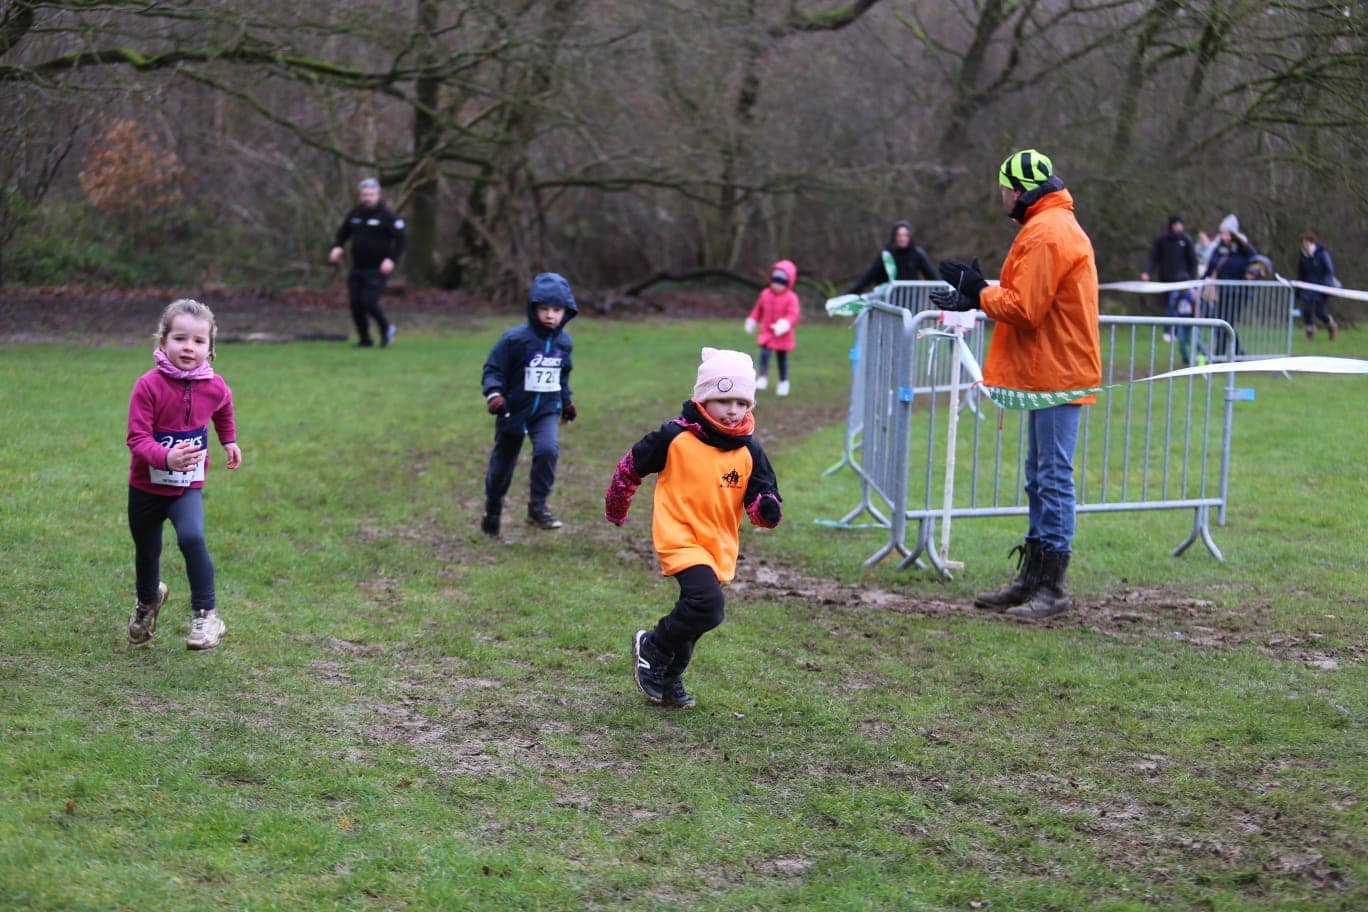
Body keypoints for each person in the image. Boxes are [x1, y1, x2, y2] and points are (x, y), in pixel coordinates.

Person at [930, 149, 1101, 620]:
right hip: (1048, 369)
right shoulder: (1047, 225)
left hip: (1058, 371)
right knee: (1040, 476)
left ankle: (1051, 587)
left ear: (1018, 190)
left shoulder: (1048, 232)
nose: (1002, 196)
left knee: (1052, 477)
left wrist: (978, 290)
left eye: (1004, 188)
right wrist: (977, 297)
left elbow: (1026, 309)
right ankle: (1033, 578)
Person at [605, 348, 783, 708]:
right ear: (702, 399)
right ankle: (652, 645)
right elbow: (630, 468)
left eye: (741, 402)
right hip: (679, 535)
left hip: (718, 543)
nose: (732, 410)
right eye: (723, 400)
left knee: (695, 614)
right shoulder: (674, 437)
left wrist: (766, 508)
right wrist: (617, 505)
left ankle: (669, 677)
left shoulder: (750, 450)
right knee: (708, 606)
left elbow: (762, 498)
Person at [125, 299, 243, 650]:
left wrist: (229, 440)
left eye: (198, 340)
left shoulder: (215, 385)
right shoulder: (148, 386)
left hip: (186, 486)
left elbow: (223, 407)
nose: (189, 347)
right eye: (180, 338)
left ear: (210, 348)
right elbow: (136, 438)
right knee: (148, 551)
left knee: (192, 537)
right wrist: (166, 457)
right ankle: (148, 601)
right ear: (163, 342)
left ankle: (207, 615)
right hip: (145, 486)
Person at [480, 272, 578, 536]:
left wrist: (566, 401)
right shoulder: (514, 339)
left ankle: (537, 507)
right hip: (512, 410)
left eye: (556, 310)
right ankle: (492, 510)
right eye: (544, 309)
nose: (550, 315)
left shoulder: (564, 343)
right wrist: (495, 395)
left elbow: (562, 375)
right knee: (503, 464)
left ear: (566, 312)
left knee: (548, 450)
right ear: (533, 309)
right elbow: (493, 369)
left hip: (546, 410)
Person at [329, 178, 407, 348]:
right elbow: (343, 233)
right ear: (360, 196)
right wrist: (337, 247)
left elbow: (402, 240)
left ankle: (386, 329)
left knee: (368, 301)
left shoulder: (387, 216)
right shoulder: (355, 214)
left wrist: (391, 259)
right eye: (364, 194)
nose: (367, 198)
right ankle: (365, 340)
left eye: (371, 194)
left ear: (378, 195)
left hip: (377, 268)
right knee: (355, 304)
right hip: (358, 267)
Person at [1202, 214, 1258, 358]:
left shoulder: (1245, 249)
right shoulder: (1218, 250)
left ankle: (1221, 353)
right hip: (1223, 292)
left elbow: (1256, 263)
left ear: (1234, 234)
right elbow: (1210, 268)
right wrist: (1200, 283)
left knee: (1226, 322)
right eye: (1222, 233)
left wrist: (1252, 273)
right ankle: (1236, 352)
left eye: (1227, 234)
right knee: (1223, 323)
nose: (1224, 237)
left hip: (1240, 292)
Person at [744, 260, 801, 397]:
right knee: (764, 354)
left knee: (782, 360)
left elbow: (793, 315)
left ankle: (783, 382)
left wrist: (785, 324)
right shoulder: (765, 294)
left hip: (783, 335)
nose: (777, 286)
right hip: (767, 333)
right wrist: (752, 320)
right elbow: (758, 310)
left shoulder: (791, 298)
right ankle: (762, 376)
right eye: (775, 282)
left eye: (781, 283)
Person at [1140, 213, 1199, 343]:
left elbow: (1193, 261)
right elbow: (1153, 257)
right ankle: (1168, 331)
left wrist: (1192, 279)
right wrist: (1147, 272)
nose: (1179, 227)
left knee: (1180, 307)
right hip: (1166, 280)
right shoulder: (1162, 240)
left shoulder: (1186, 240)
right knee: (1169, 306)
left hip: (1182, 282)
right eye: (1176, 224)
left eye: (1180, 224)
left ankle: (1179, 332)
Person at [845, 220, 936, 294]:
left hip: (911, 300)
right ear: (894, 237)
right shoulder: (886, 255)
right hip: (890, 302)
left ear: (909, 237)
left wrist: (944, 296)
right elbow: (867, 277)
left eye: (905, 235)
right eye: (899, 235)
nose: (902, 239)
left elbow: (933, 277)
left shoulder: (918, 254)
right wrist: (849, 295)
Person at [1297, 233, 1339, 341]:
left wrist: (1327, 286)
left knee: (1319, 312)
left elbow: (1329, 271)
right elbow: (1301, 273)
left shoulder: (1322, 253)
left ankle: (1331, 325)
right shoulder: (1303, 256)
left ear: (1312, 242)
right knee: (1307, 310)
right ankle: (1309, 332)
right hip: (1308, 286)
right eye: (1303, 243)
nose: (1305, 245)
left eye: (1307, 243)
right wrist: (1298, 288)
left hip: (1322, 286)